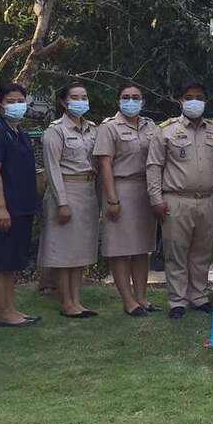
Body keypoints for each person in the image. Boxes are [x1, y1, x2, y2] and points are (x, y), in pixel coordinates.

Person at [146, 82, 213, 320]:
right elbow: (154, 166)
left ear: (205, 101)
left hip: (207, 200)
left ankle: (198, 297)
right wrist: (155, 199)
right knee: (176, 252)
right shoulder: (166, 130)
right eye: (189, 97)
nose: (194, 101)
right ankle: (177, 301)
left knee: (202, 253)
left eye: (199, 97)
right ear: (180, 100)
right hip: (176, 200)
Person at [93, 83, 159, 317]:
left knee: (142, 248)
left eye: (136, 97)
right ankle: (128, 301)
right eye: (126, 97)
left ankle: (142, 297)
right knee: (120, 249)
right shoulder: (109, 127)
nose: (131, 101)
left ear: (143, 101)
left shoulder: (151, 126)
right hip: (120, 188)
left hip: (145, 190)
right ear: (119, 100)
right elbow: (105, 164)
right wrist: (112, 199)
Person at [0, 83, 40, 327]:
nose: (17, 105)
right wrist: (1, 207)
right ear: (0, 105)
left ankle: (11, 308)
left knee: (11, 262)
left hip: (23, 208)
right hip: (4, 209)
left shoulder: (20, 133)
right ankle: (2, 313)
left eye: (20, 101)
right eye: (11, 101)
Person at [39, 82, 99, 318]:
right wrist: (62, 203)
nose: (80, 101)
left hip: (87, 192)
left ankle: (77, 300)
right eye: (75, 97)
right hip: (65, 190)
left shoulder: (92, 129)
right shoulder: (55, 131)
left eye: (84, 97)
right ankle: (67, 303)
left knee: (79, 251)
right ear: (64, 102)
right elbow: (52, 168)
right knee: (64, 252)